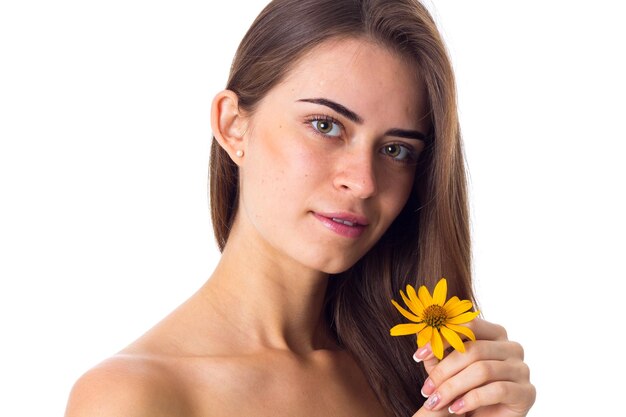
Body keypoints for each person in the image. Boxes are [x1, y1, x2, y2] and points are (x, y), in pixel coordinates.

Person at [65, 0, 535, 416]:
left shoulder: (419, 373)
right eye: (325, 126)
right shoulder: (129, 398)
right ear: (233, 126)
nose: (363, 181)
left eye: (396, 150)